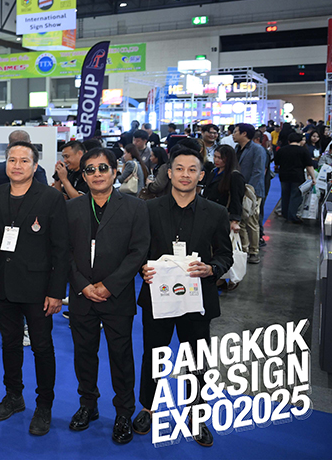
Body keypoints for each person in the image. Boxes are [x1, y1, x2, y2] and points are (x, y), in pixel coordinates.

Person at [132, 146, 232, 447]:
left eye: (192, 170)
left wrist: (212, 268)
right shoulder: (149, 209)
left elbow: (225, 255)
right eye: (179, 168)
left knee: (197, 359)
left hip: (197, 299)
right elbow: (137, 250)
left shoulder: (216, 212)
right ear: (169, 172)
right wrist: (142, 268)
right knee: (154, 354)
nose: (185, 175)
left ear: (201, 175)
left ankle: (196, 413)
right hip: (158, 297)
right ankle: (148, 408)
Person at [0, 141, 69, 436]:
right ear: (5, 164)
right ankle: (14, 396)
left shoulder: (50, 197)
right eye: (12, 160)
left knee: (42, 347)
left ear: (35, 166)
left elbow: (61, 249)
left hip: (39, 288)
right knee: (9, 344)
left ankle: (44, 405)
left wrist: (56, 291)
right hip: (3, 285)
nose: (17, 165)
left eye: (24, 160)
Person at [66, 148, 149, 444]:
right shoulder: (72, 208)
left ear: (115, 172)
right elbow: (63, 251)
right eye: (90, 169)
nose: (97, 174)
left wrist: (110, 285)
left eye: (103, 168)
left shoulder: (135, 207)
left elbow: (138, 251)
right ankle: (88, 404)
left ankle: (124, 412)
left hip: (117, 295)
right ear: (83, 175)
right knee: (83, 354)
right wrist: (82, 285)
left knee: (121, 356)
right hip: (82, 295)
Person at [202, 145, 246, 291]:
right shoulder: (214, 171)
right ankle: (217, 278)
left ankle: (221, 278)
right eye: (215, 156)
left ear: (228, 159)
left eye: (220, 158)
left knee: (221, 248)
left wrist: (235, 220)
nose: (216, 160)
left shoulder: (234, 176)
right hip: (209, 214)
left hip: (224, 217)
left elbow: (236, 200)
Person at [233, 124, 265, 264]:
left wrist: (249, 190)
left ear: (244, 133)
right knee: (240, 219)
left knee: (251, 221)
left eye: (235, 132)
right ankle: (244, 249)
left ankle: (254, 251)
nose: (233, 134)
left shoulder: (257, 149)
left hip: (252, 191)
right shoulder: (237, 148)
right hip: (239, 188)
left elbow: (258, 171)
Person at [275, 131, 317, 224]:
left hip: (284, 175)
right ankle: (292, 216)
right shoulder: (303, 151)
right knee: (295, 196)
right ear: (300, 141)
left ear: (289, 141)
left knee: (285, 195)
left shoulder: (282, 150)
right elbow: (309, 166)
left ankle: (285, 214)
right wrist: (313, 178)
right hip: (297, 176)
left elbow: (276, 163)